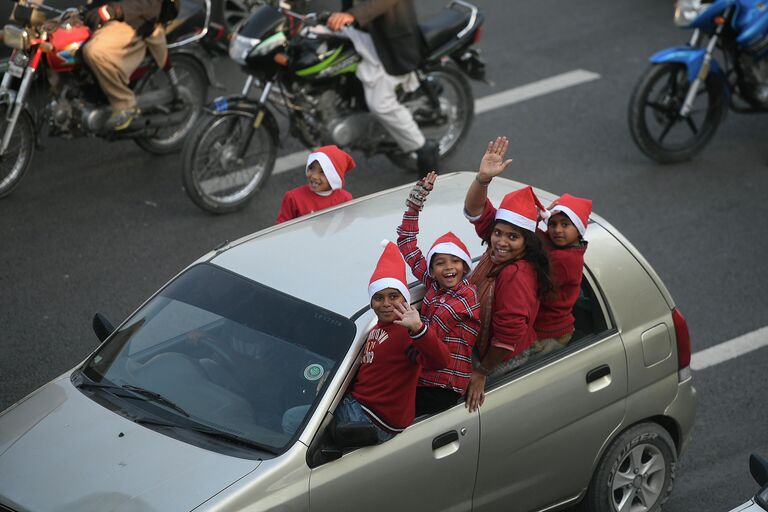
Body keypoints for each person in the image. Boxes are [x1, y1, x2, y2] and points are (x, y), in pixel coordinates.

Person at [463, 136, 553, 412]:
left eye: (512, 237)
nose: (501, 241)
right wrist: (482, 179)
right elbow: (474, 210)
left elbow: (506, 339)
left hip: (499, 359)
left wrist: (481, 373)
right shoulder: (498, 250)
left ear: (527, 241)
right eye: (498, 233)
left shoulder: (516, 276)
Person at [335, 241, 450, 442]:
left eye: (393, 296)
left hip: (375, 420)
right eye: (379, 298)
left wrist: (418, 329)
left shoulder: (406, 332)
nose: (386, 304)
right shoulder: (374, 328)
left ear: (404, 299)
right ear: (371, 301)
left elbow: (440, 361)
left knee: (295, 420)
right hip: (358, 403)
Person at [396, 172, 480, 415]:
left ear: (465, 267)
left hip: (443, 386)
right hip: (424, 377)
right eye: (440, 263)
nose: (448, 267)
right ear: (431, 270)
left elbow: (427, 337)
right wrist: (416, 201)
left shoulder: (464, 298)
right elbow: (407, 242)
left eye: (455, 261)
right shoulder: (434, 284)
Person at [326, 0, 439, 176]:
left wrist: (353, 14)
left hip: (388, 43)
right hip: (358, 32)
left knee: (380, 103)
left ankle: (424, 148)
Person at [82, 0, 172, 130]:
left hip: (136, 20)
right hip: (108, 14)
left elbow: (149, 4)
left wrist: (115, 10)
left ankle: (124, 104)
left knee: (95, 51)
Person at [531, 193, 592, 358]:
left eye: (565, 224)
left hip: (549, 333)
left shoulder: (564, 259)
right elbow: (539, 238)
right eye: (552, 224)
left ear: (578, 229)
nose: (557, 230)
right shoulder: (568, 248)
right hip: (556, 327)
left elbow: (534, 242)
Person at [276, 145, 356, 224]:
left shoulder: (345, 199)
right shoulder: (293, 198)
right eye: (311, 168)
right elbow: (280, 230)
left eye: (322, 172)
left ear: (334, 177)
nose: (314, 176)